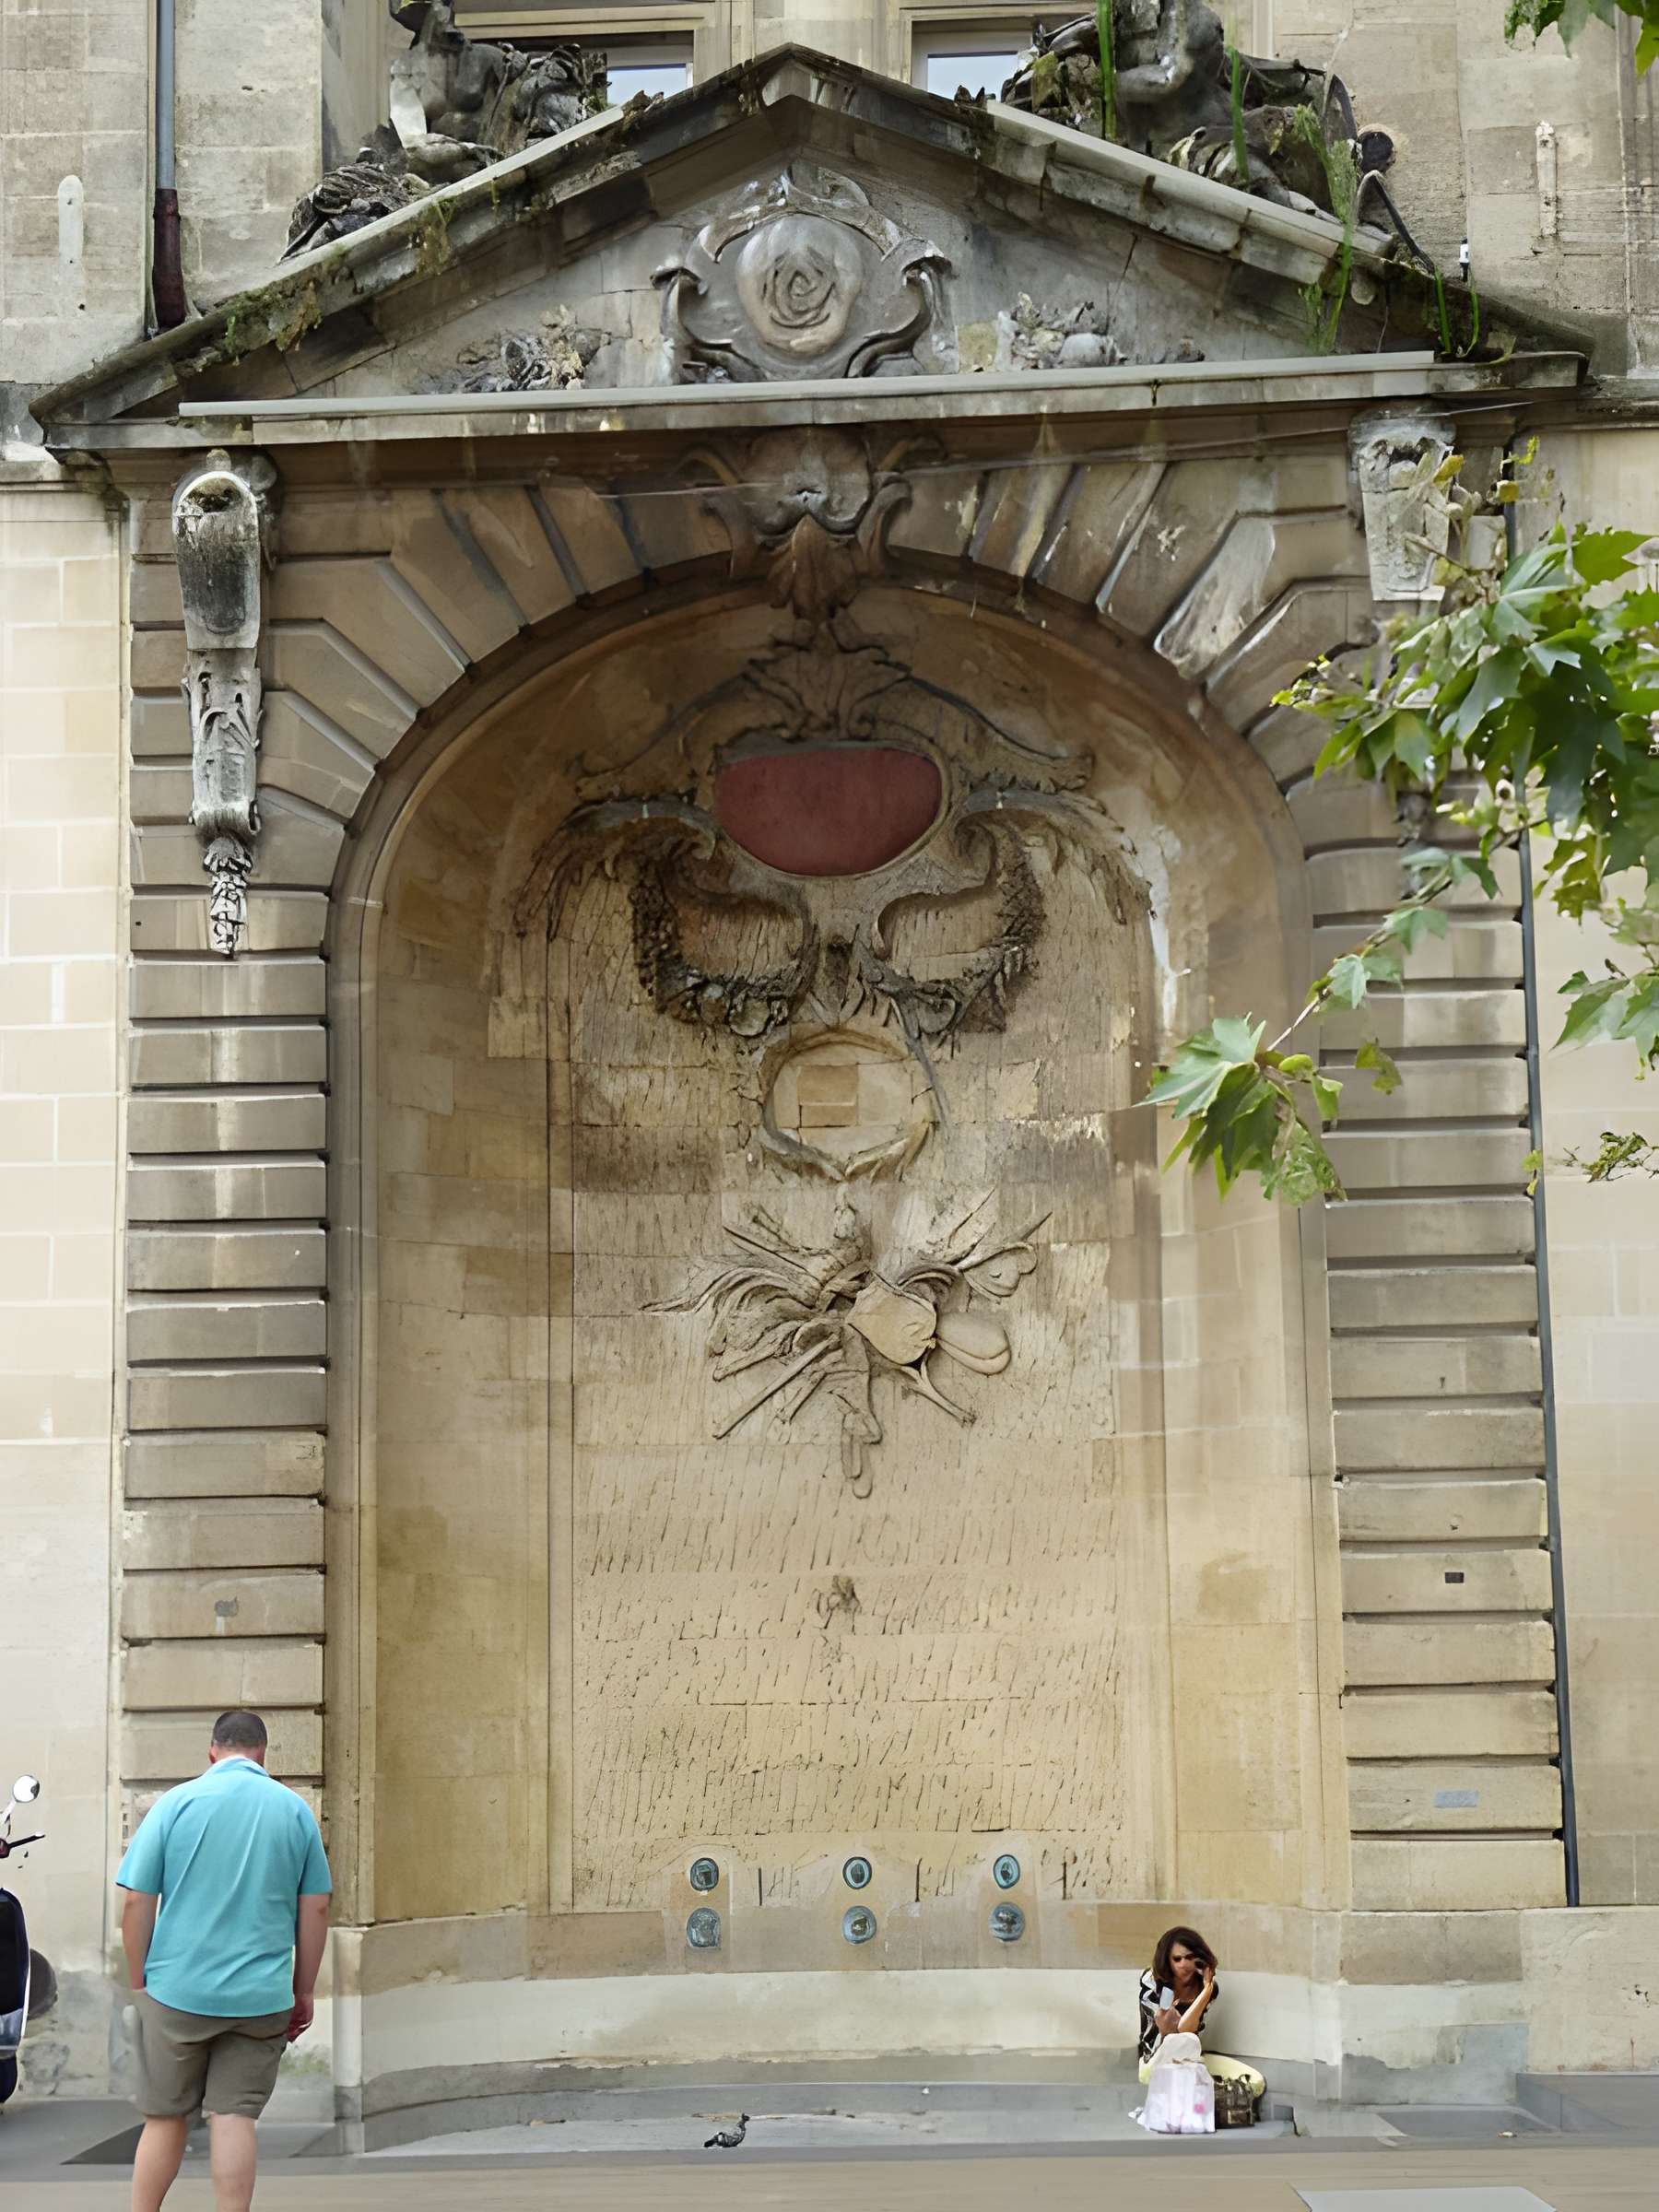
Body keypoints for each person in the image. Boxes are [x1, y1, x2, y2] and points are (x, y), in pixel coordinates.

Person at [115, 1712, 332, 2212]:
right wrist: (303, 1990)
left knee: (165, 2117)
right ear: (263, 1753)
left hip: (176, 1992)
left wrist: (138, 1981)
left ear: (212, 1751)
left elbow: (136, 1901)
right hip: (260, 1997)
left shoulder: (175, 1804)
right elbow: (316, 1906)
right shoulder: (293, 1810)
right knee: (235, 2118)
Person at [1136, 1925, 1265, 2101]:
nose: (1184, 1965)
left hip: (1188, 2052)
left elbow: (1187, 2030)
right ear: (1167, 1961)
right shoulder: (1154, 1982)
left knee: (1190, 2041)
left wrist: (1206, 1991)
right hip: (1155, 2054)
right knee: (1182, 2041)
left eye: (1189, 1958)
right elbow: (1168, 2033)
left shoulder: (1207, 1989)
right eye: (1177, 1959)